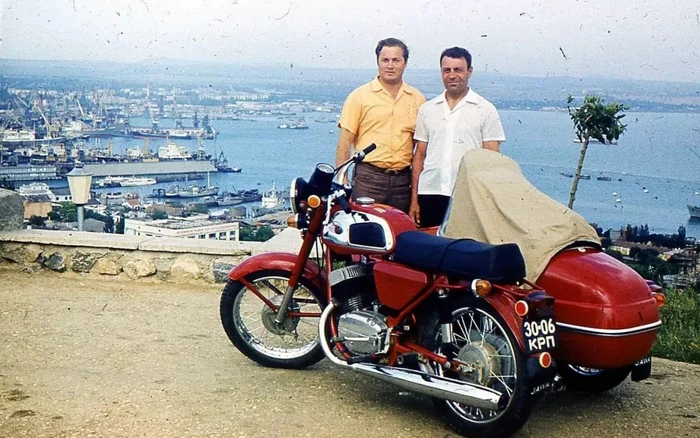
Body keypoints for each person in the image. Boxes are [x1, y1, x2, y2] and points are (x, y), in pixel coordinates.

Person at [408, 46, 506, 227]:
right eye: (447, 70)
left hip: (467, 195)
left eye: (458, 70)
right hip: (430, 192)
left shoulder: (485, 110)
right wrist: (414, 200)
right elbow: (419, 156)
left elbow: (492, 160)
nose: (452, 75)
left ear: (469, 72)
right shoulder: (427, 109)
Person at [336, 37, 426, 213]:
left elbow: (420, 149)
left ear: (405, 63)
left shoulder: (417, 99)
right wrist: (343, 182)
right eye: (385, 60)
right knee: (366, 232)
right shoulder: (359, 96)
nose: (390, 66)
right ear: (378, 62)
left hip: (403, 181)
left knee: (400, 234)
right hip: (369, 179)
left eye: (396, 60)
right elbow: (344, 143)